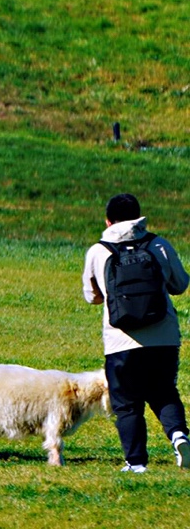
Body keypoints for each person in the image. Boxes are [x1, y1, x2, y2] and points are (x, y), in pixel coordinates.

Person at [84, 193, 189, 472]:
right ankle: (179, 436)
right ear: (139, 217)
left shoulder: (98, 250)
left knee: (127, 403)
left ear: (107, 220)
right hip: (163, 336)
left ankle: (136, 463)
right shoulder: (158, 244)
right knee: (164, 391)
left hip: (120, 340)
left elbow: (91, 296)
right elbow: (180, 284)